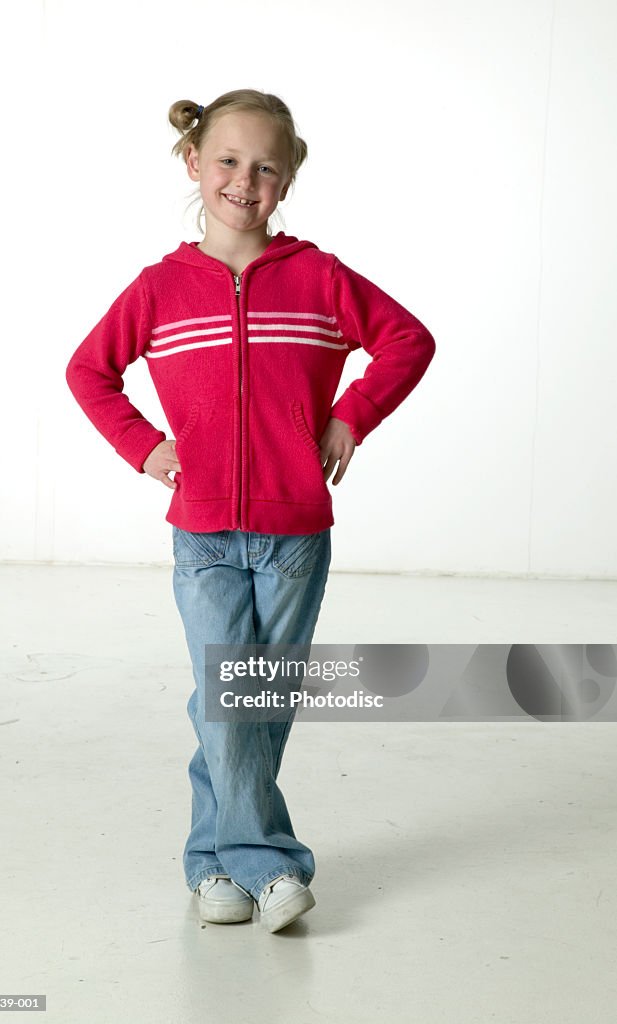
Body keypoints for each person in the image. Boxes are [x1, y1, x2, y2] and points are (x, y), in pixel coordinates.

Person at [65, 88, 436, 933]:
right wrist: (147, 446)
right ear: (193, 165)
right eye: (228, 161)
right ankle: (270, 865)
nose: (244, 180)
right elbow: (89, 371)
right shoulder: (159, 289)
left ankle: (211, 865)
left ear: (288, 180)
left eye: (266, 166)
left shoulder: (318, 278)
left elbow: (408, 339)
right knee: (226, 692)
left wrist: (351, 416)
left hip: (295, 532)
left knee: (254, 697)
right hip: (202, 531)